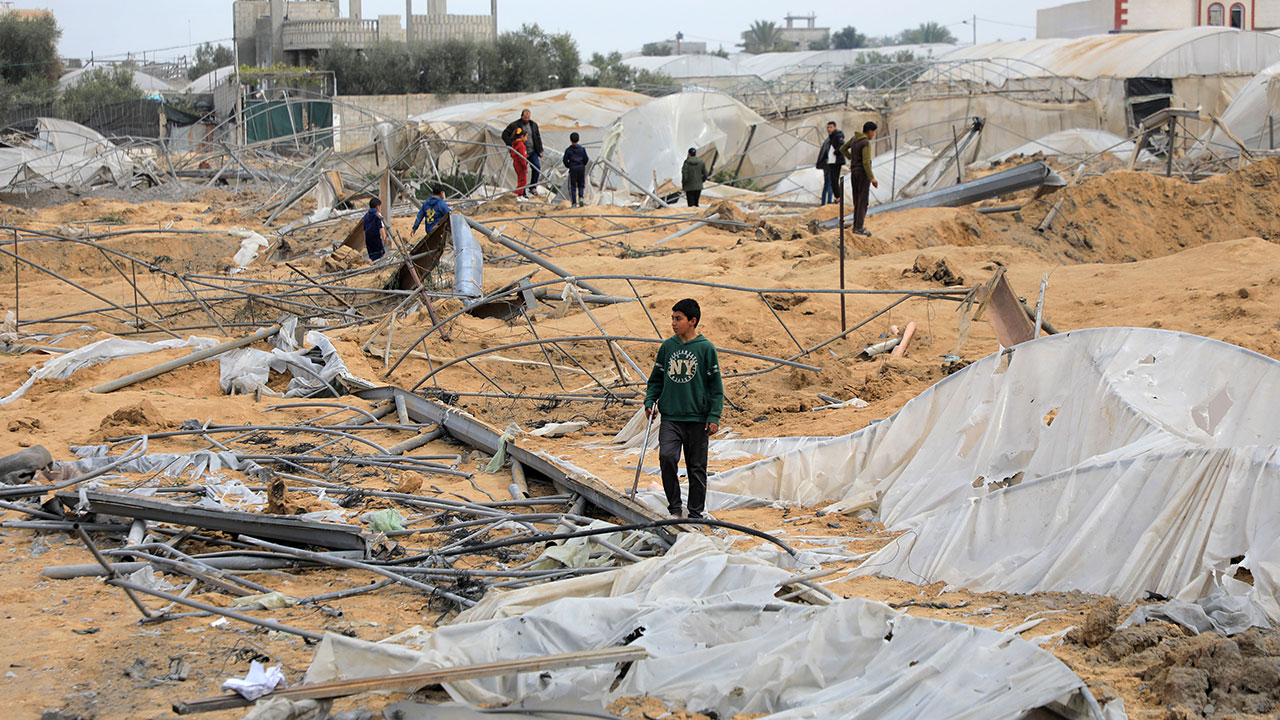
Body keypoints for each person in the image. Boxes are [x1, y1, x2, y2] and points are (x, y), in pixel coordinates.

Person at [644, 298, 724, 520]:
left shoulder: (706, 349)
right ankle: (675, 508)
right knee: (667, 457)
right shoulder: (668, 347)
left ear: (693, 321)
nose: (673, 323)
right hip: (671, 416)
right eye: (672, 318)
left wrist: (714, 416)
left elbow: (716, 387)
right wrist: (650, 401)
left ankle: (696, 514)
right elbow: (656, 380)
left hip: (698, 419)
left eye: (678, 319)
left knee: (696, 468)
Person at [840, 121, 880, 237]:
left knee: (857, 200)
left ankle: (856, 226)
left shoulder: (854, 139)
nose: (873, 135)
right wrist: (871, 178)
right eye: (873, 132)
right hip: (862, 174)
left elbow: (843, 148)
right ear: (870, 132)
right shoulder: (865, 143)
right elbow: (866, 162)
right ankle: (859, 227)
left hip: (854, 172)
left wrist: (852, 158)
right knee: (863, 201)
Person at [503, 109, 543, 195]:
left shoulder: (533, 125)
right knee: (522, 174)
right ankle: (522, 193)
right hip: (521, 152)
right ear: (521, 116)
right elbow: (504, 135)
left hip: (532, 151)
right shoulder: (515, 125)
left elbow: (537, 137)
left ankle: (532, 187)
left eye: (528, 117)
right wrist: (512, 145)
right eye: (525, 117)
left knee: (536, 167)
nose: (527, 119)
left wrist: (540, 150)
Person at [815, 120, 845, 205]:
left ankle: (834, 199)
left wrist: (836, 153)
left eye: (830, 127)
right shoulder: (830, 138)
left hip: (835, 162)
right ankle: (828, 201)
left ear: (834, 127)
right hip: (829, 163)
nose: (829, 129)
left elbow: (841, 146)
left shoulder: (837, 136)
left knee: (833, 181)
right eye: (828, 127)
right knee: (830, 182)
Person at [562, 131, 589, 207]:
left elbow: (565, 160)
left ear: (570, 140)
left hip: (573, 168)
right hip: (581, 168)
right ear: (578, 139)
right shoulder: (582, 149)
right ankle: (581, 198)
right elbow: (586, 159)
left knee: (573, 186)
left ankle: (574, 203)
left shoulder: (568, 150)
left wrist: (569, 166)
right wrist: (583, 165)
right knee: (581, 184)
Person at [362, 197, 388, 262]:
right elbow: (381, 226)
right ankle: (369, 261)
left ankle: (372, 263)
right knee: (381, 252)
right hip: (375, 236)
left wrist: (365, 239)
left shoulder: (366, 215)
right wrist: (384, 236)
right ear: (377, 207)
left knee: (371, 253)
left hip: (368, 237)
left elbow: (364, 229)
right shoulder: (377, 214)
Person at [510, 127, 529, 198]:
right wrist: (525, 167)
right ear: (522, 137)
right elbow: (522, 158)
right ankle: (517, 194)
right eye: (526, 137)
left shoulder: (514, 144)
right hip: (520, 164)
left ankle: (520, 195)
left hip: (516, 163)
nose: (526, 138)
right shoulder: (521, 145)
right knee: (523, 181)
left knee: (520, 180)